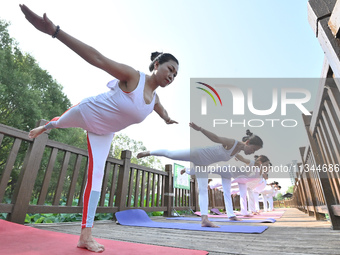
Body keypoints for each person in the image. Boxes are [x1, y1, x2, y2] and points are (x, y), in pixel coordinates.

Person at [20, 4, 179, 253]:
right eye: (170, 70)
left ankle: (85, 235)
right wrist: (55, 31)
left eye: (175, 75)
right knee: (59, 122)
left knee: (96, 178)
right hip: (88, 111)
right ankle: (48, 126)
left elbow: (163, 112)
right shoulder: (132, 77)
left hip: (103, 132)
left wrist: (168, 120)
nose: (172, 76)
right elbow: (98, 58)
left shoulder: (156, 101)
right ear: (157, 64)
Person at [137, 124, 263, 226]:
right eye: (253, 149)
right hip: (198, 154)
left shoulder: (237, 152)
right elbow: (216, 138)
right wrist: (201, 129)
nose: (252, 152)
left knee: (202, 190)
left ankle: (204, 219)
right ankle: (149, 152)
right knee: (171, 154)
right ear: (248, 143)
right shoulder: (233, 143)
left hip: (204, 164)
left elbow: (243, 159)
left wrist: (254, 164)